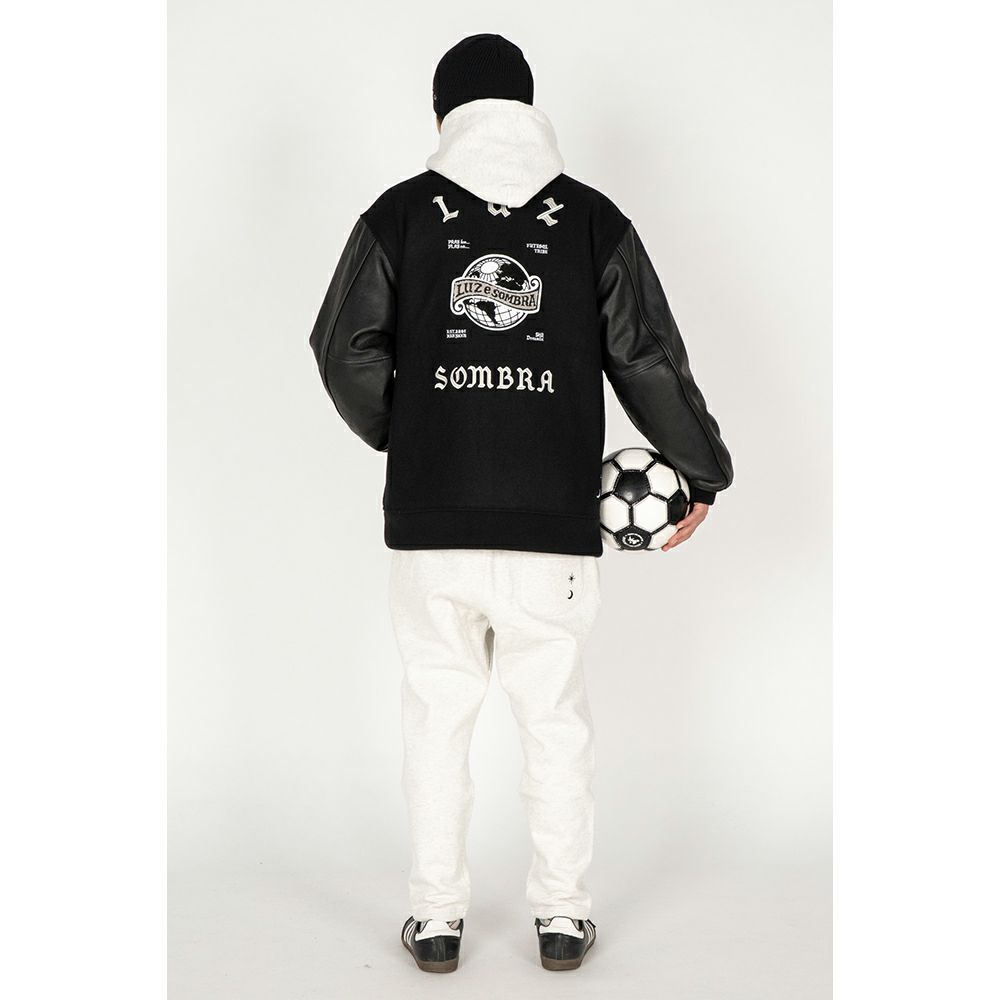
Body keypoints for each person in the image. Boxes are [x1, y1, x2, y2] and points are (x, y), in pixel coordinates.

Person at [308, 33, 733, 974]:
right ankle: (563, 919)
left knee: (437, 717)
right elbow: (646, 356)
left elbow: (342, 348)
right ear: (529, 111)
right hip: (553, 532)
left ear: (444, 116)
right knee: (555, 724)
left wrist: (408, 429)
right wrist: (701, 470)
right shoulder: (591, 220)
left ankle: (436, 920)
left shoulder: (399, 215)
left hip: (433, 531)